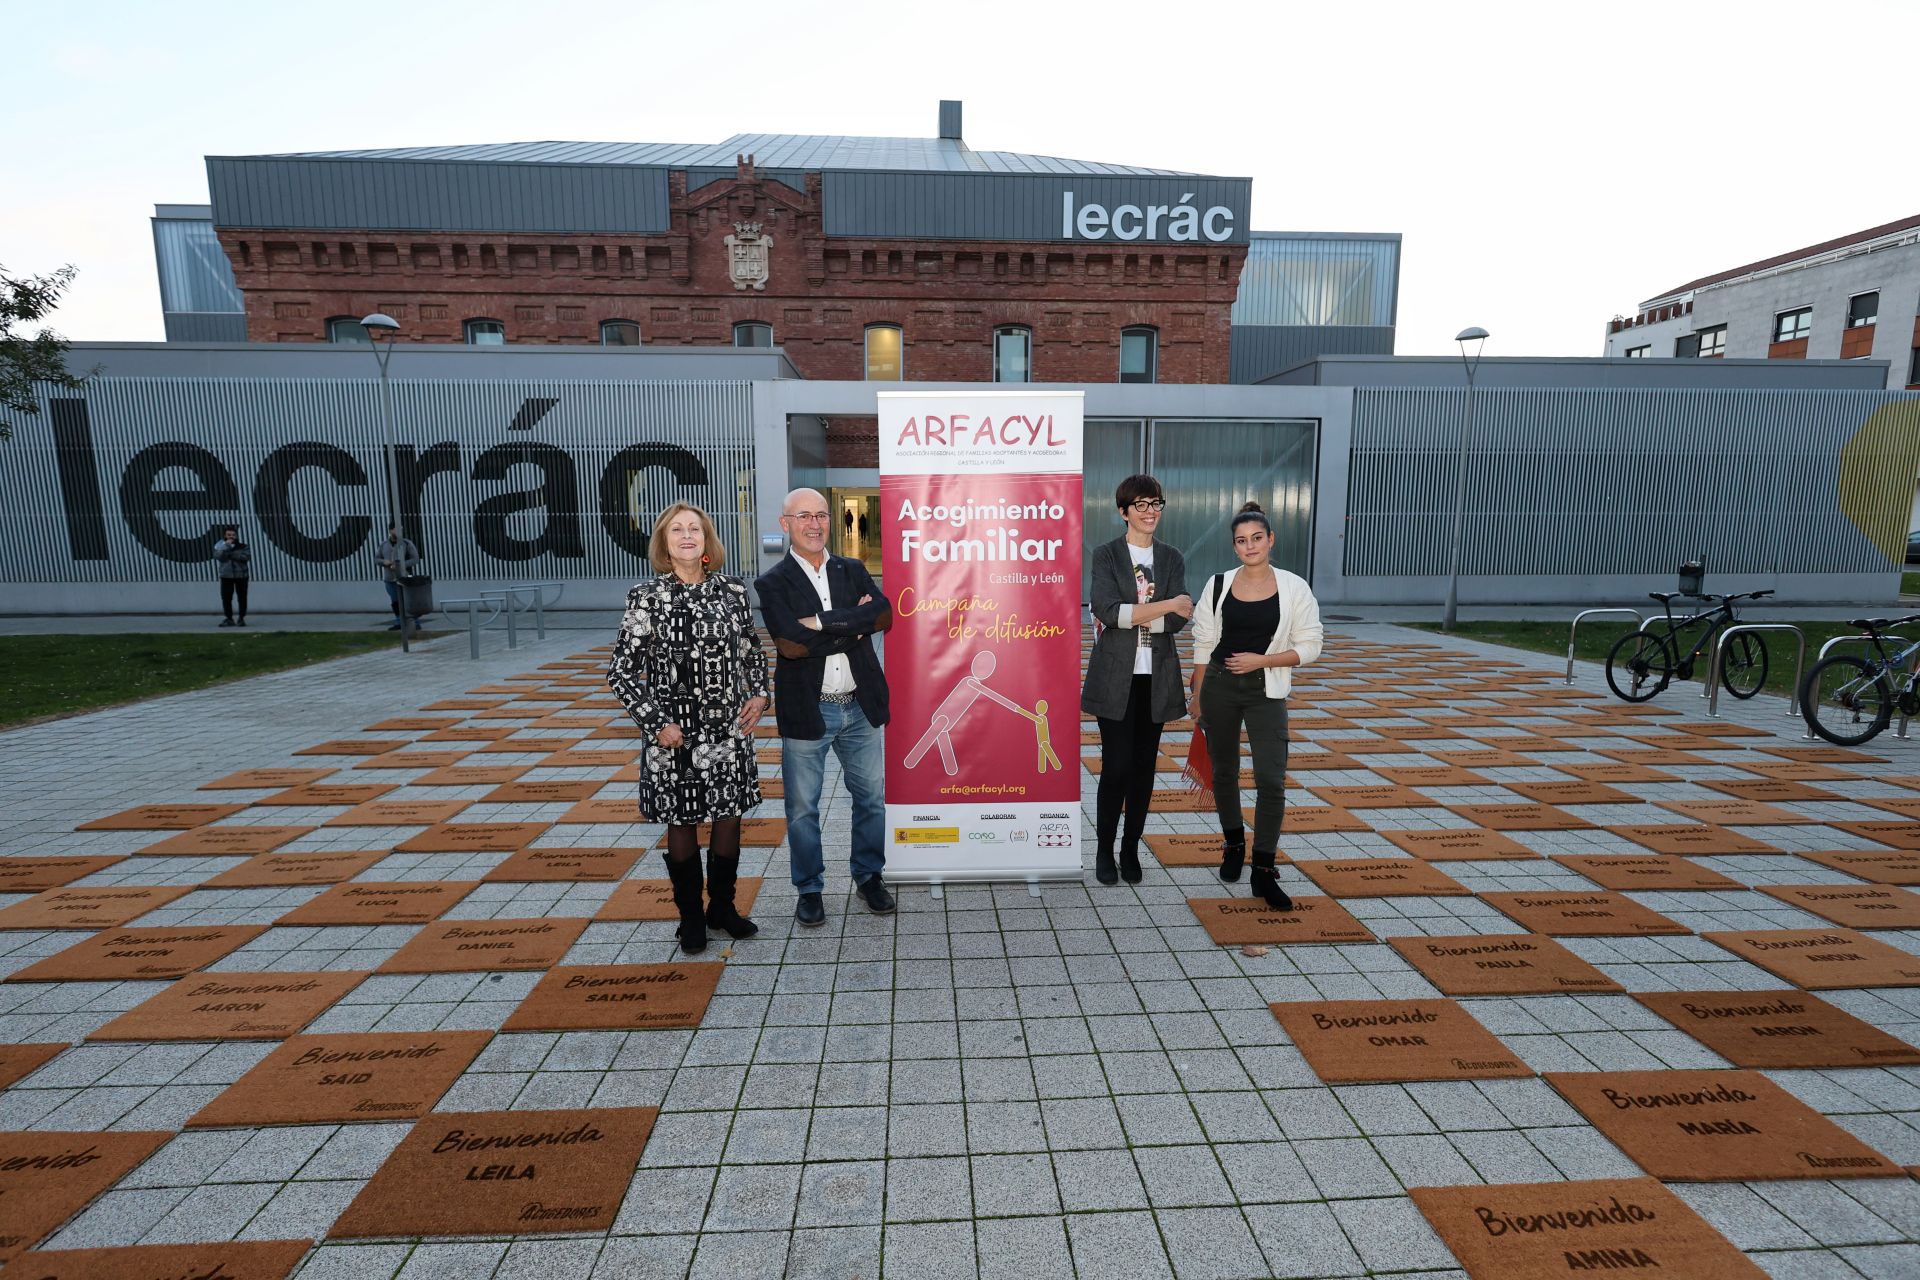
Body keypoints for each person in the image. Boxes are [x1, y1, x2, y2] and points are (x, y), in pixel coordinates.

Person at [607, 503, 770, 954]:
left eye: (694, 528)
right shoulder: (646, 597)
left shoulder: (733, 591)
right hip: (673, 733)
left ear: (706, 539)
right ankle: (691, 918)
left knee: (729, 814)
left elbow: (752, 651)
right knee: (681, 820)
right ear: (663, 542)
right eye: (676, 529)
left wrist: (759, 693)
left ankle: (722, 908)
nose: (685, 535)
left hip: (727, 727)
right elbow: (620, 673)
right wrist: (657, 723)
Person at [756, 487, 894, 926]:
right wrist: (854, 624)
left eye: (820, 515)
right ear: (786, 524)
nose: (814, 524)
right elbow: (791, 645)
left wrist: (820, 622)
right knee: (802, 809)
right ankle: (810, 889)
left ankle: (869, 877)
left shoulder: (853, 570)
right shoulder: (772, 582)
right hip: (808, 708)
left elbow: (885, 616)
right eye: (803, 517)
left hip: (859, 706)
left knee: (871, 800)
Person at [1189, 500, 1323, 909]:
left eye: (1257, 539)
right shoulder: (1217, 585)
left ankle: (1263, 870)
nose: (1250, 547)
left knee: (1271, 778)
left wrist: (1263, 660)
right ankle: (1233, 845)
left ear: (1271, 540)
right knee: (1225, 772)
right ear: (1234, 547)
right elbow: (1203, 643)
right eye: (1241, 541)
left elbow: (1311, 646)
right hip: (1218, 687)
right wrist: (1196, 697)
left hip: (1267, 690)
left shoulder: (1294, 587)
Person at [1081, 475, 1191, 885]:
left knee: (1144, 768)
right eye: (1140, 505)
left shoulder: (1172, 557)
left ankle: (1131, 848)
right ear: (1123, 511)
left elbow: (1180, 620)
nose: (1150, 512)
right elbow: (1110, 612)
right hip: (1115, 679)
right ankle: (1104, 850)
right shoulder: (1107, 556)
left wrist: (1142, 613)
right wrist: (1163, 606)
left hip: (1155, 678)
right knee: (1116, 768)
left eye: (1156, 503)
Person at [375, 525, 421, 630]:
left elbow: (415, 559)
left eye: (400, 529)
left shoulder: (406, 543)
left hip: (405, 578)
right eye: (396, 529)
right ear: (391, 530)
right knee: (395, 602)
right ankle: (399, 621)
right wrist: (384, 562)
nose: (399, 531)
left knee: (408, 601)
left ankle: (415, 622)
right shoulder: (384, 545)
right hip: (389, 578)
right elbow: (376, 559)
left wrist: (401, 564)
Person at [213, 525, 251, 627]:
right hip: (226, 576)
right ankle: (229, 618)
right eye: (229, 535)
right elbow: (218, 556)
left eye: (233, 535)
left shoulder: (243, 546)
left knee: (242, 597)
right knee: (226, 598)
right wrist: (226, 547)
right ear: (225, 535)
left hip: (241, 576)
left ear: (236, 536)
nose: (231, 537)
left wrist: (231, 554)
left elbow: (245, 557)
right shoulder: (220, 546)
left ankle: (241, 618)